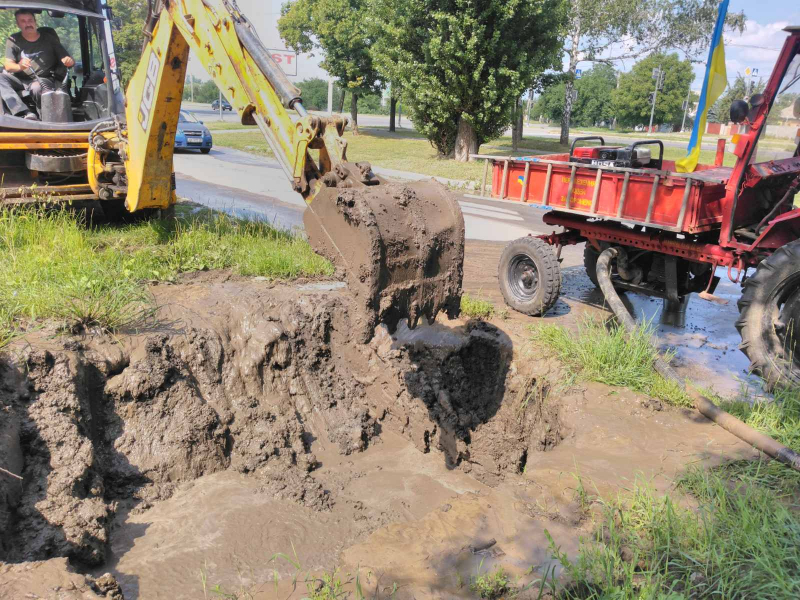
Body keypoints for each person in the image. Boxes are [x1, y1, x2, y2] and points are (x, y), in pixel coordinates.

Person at [0, 9, 75, 120]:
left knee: (37, 87)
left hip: (42, 79)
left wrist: (69, 61)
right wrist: (20, 66)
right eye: (23, 21)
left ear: (35, 22)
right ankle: (23, 113)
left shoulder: (49, 39)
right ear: (18, 24)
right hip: (20, 80)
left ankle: (45, 120)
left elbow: (69, 60)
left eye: (30, 20)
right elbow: (8, 66)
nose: (28, 23)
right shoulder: (13, 40)